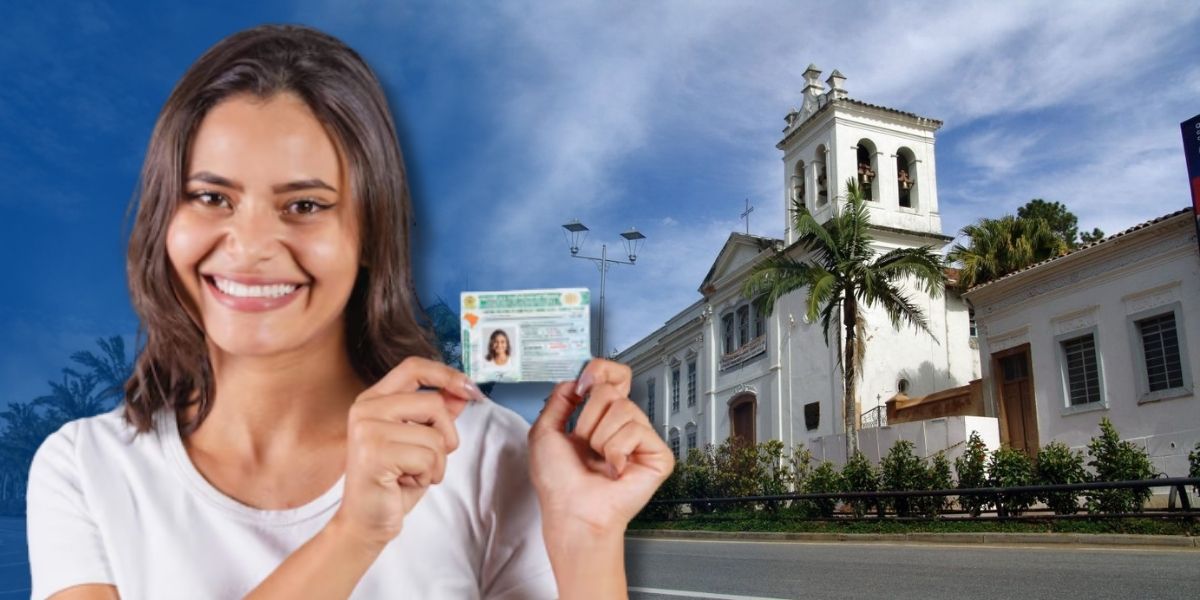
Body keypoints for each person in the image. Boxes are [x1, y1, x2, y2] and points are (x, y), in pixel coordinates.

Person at [25, 24, 673, 600]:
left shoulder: (486, 456)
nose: (249, 246)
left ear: (370, 233)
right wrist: (354, 533)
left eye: (304, 205)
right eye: (211, 197)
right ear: (166, 217)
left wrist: (587, 541)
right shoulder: (86, 468)